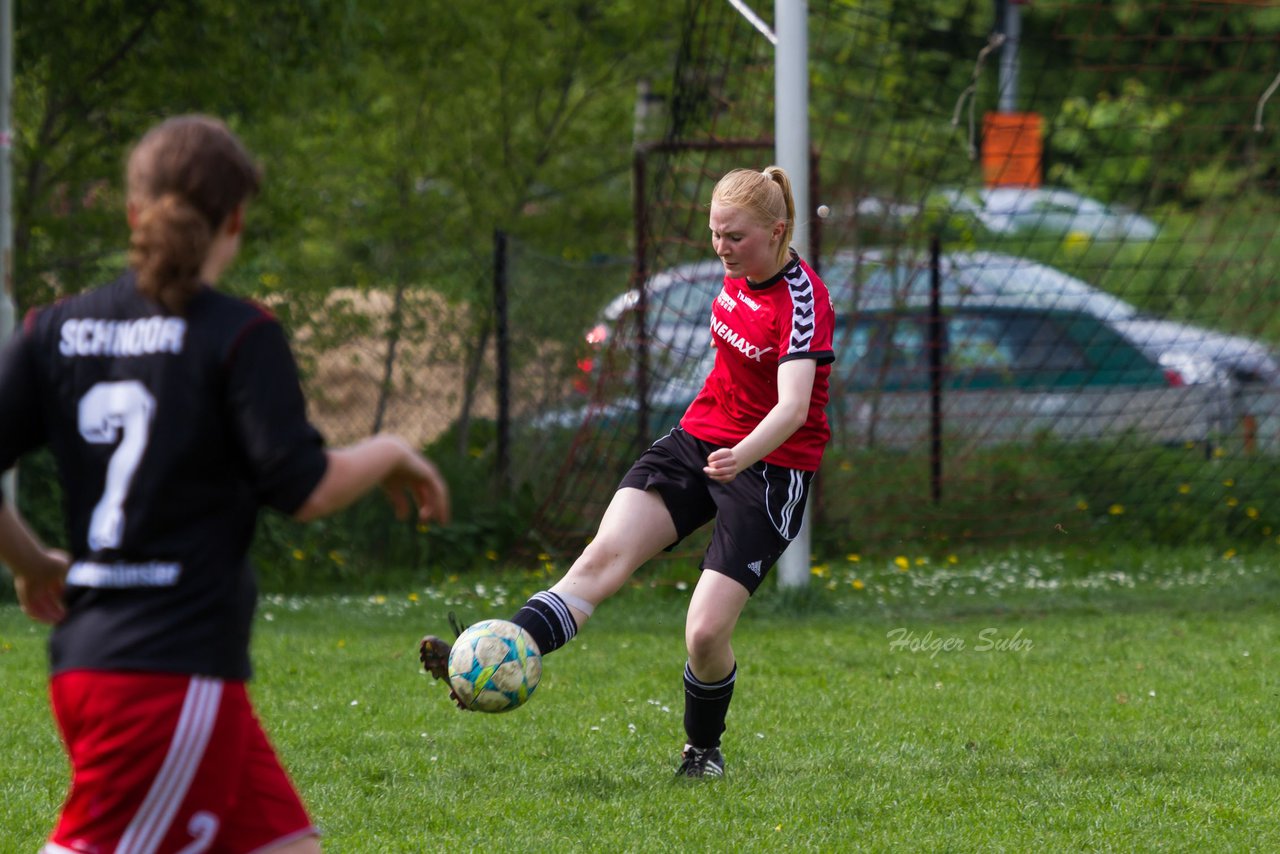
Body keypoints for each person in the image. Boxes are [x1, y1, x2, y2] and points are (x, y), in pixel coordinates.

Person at [0, 115, 450, 853]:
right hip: (168, 678)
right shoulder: (239, 334)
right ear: (236, 219)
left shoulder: (55, 328)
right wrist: (392, 449)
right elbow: (304, 489)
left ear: (132, 212)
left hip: (99, 664)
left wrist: (29, 561)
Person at [420, 165, 834, 779]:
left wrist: (742, 455)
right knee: (598, 561)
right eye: (715, 234)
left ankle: (703, 752)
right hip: (697, 443)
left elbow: (794, 406)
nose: (722, 248)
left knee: (703, 634)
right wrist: (719, 446)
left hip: (767, 469)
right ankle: (489, 657)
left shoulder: (804, 299)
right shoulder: (735, 275)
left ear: (777, 232)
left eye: (736, 237)